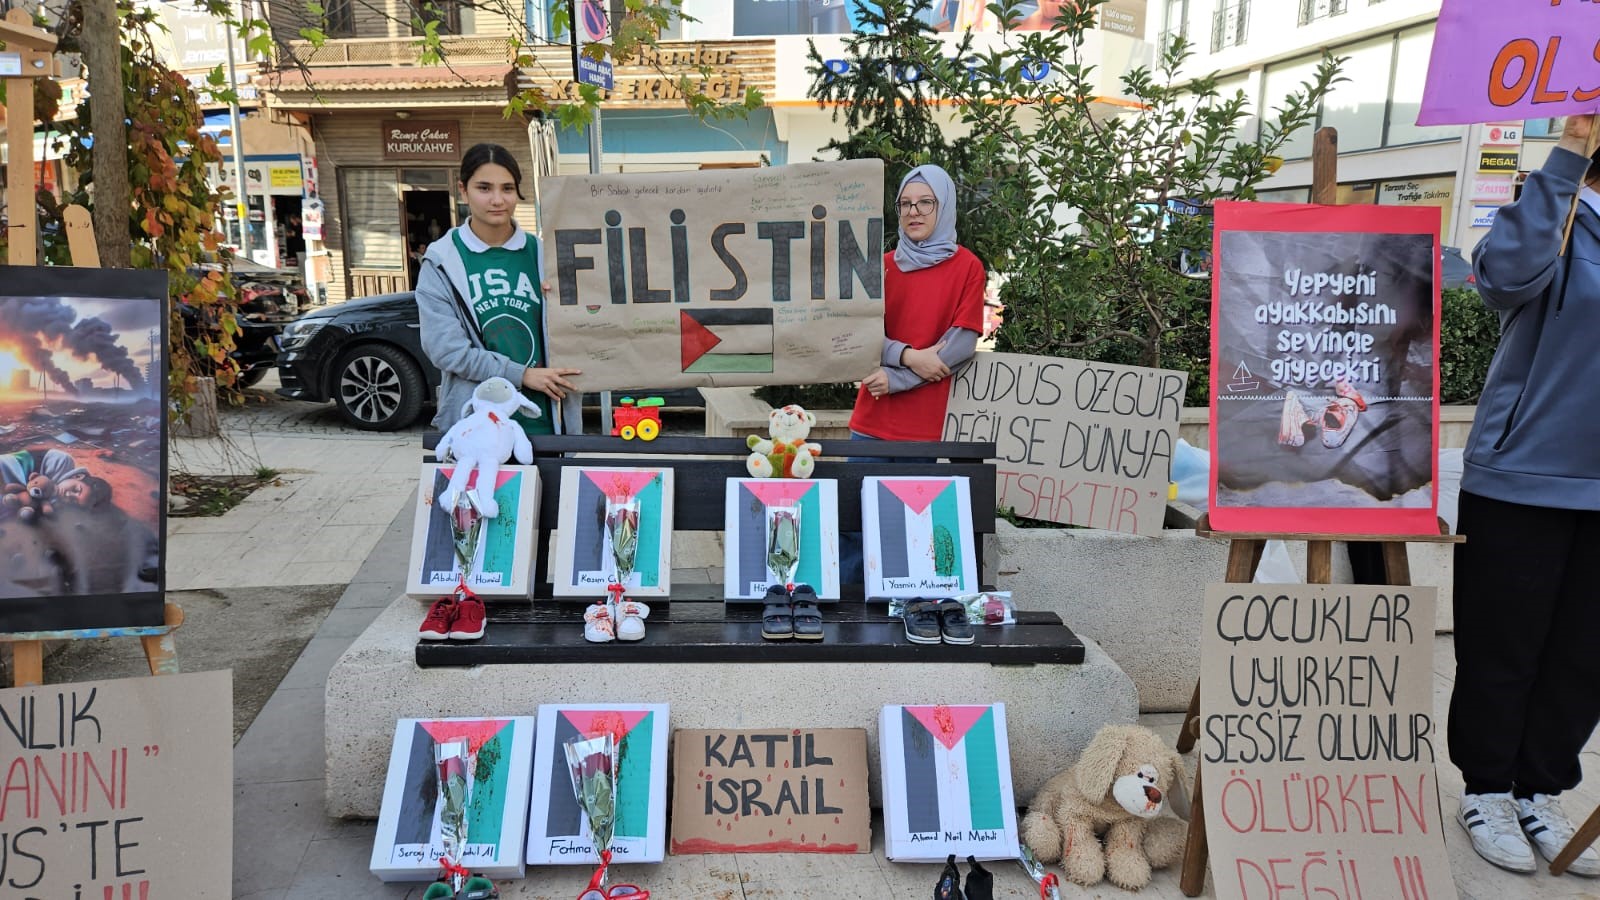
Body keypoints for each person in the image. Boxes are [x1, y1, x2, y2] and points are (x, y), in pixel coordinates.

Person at [1449, 113, 1600, 878]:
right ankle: (1487, 790)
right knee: (1501, 649)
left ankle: (1542, 790)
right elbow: (1501, 277)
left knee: (1584, 657)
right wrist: (1569, 152)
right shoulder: (1559, 207)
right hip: (1522, 477)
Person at [840, 164, 986, 606]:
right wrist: (909, 356)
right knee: (854, 528)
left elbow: (961, 344)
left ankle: (911, 615)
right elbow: (860, 334)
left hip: (925, 428)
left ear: (944, 207)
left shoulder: (967, 267)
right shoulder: (882, 268)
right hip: (871, 421)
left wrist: (897, 377)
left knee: (914, 531)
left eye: (925, 202)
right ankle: (847, 618)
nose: (914, 211)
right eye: (905, 203)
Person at [415, 142, 582, 437]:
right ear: (463, 190)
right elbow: (447, 351)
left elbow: (579, 329)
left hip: (548, 422)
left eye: (507, 188)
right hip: (475, 429)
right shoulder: (442, 261)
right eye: (484, 188)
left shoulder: (544, 254)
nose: (497, 200)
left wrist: (562, 303)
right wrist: (522, 374)